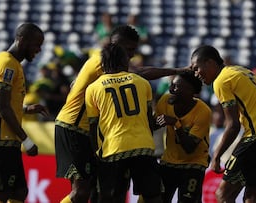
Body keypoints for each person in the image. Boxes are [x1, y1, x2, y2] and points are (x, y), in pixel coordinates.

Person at [54, 24, 190, 203]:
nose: (132, 55)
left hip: (87, 130)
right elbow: (139, 73)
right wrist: (178, 71)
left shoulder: (98, 63)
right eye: (129, 50)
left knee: (97, 190)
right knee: (81, 191)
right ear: (116, 45)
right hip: (74, 127)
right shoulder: (101, 60)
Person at [191, 45, 256, 203]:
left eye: (197, 68)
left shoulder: (221, 80)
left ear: (209, 62)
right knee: (252, 197)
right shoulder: (243, 71)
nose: (196, 74)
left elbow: (233, 126)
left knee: (223, 195)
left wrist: (216, 157)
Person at [0, 23, 49, 203]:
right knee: (1, 193)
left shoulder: (5, 61)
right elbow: (2, 107)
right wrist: (27, 140)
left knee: (19, 192)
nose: (39, 50)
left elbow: (1, 102)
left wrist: (25, 109)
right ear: (22, 40)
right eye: (36, 44)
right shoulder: (7, 64)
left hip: (6, 137)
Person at [85, 43, 162, 203]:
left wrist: (96, 154)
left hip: (113, 148)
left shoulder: (93, 88)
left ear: (103, 63)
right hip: (143, 146)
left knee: (113, 197)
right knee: (153, 196)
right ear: (124, 61)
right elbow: (149, 121)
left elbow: (93, 127)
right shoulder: (142, 82)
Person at [154, 72, 211, 203]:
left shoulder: (203, 111)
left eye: (176, 86)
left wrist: (176, 124)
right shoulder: (165, 100)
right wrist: (156, 120)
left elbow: (189, 147)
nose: (171, 89)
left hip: (194, 164)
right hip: (168, 161)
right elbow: (153, 126)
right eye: (171, 85)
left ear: (191, 91)